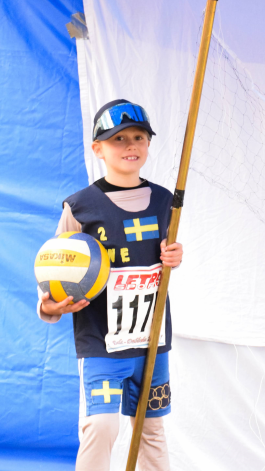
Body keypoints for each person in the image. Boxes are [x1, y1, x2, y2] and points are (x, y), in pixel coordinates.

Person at [37, 99, 182, 471]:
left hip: (150, 341)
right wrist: (49, 305)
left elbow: (162, 256)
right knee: (101, 427)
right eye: (118, 139)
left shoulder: (166, 201)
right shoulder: (80, 207)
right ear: (97, 148)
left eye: (138, 137)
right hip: (101, 340)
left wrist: (173, 257)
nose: (130, 145)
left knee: (150, 431)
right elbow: (55, 266)